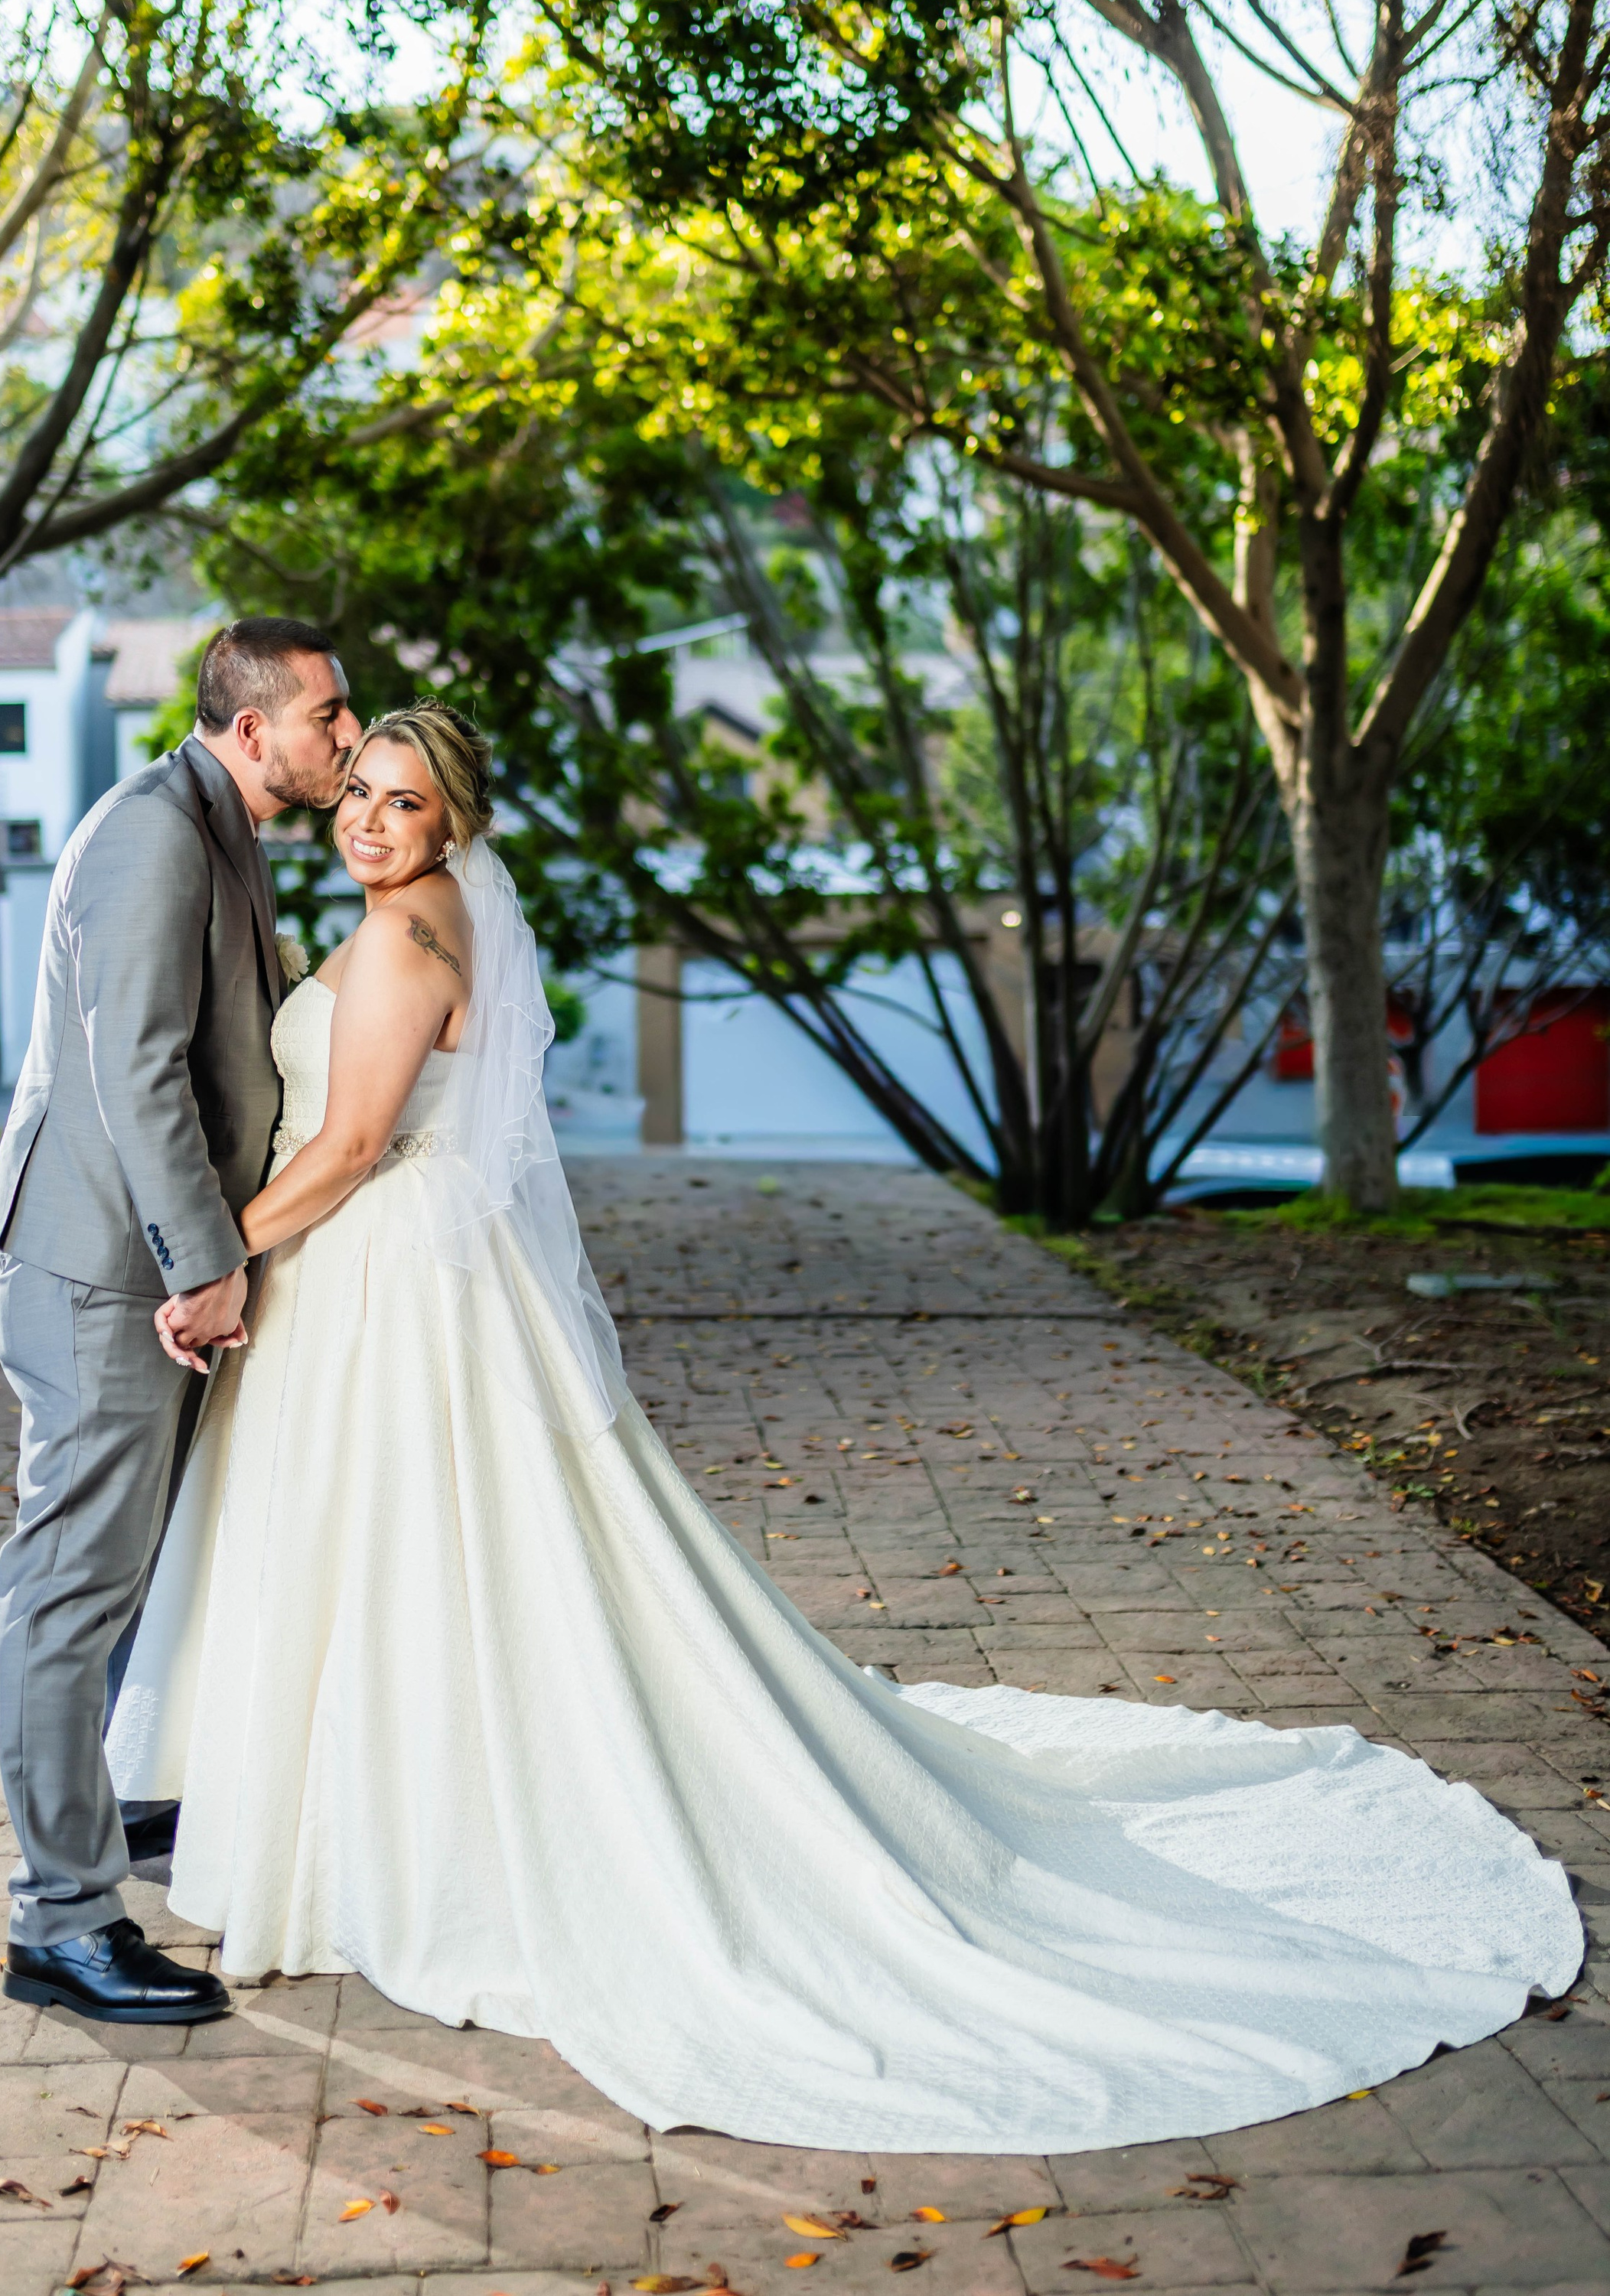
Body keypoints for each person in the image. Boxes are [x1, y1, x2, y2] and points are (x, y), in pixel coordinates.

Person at [108, 698, 1582, 2148]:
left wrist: (214, 1257)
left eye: (406, 801)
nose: (370, 820)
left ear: (454, 825)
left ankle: (400, 1839)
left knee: (395, 1548)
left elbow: (354, 1145)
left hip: (386, 1275)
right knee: (423, 1555)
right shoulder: (440, 917)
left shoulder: (401, 937)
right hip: (419, 1271)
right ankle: (389, 1814)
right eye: (362, 789)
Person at [0, 617, 360, 2026]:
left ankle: (105, 1811)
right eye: (328, 715)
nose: (347, 735)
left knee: (129, 1571)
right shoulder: (153, 833)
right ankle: (62, 1921)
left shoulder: (222, 823)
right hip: (102, 1271)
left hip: (141, 1263)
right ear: (253, 728)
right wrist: (202, 1261)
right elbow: (135, 1068)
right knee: (70, 1584)